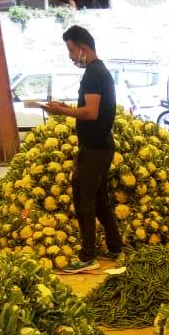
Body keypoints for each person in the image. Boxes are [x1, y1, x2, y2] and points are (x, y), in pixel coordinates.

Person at [39, 25, 122, 274]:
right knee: (98, 201)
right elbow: (90, 109)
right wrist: (66, 107)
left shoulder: (93, 73)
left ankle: (88, 256)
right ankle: (115, 247)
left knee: (84, 201)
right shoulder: (99, 72)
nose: (71, 56)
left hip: (95, 148)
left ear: (83, 49)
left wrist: (60, 111)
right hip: (99, 146)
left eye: (72, 50)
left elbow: (91, 112)